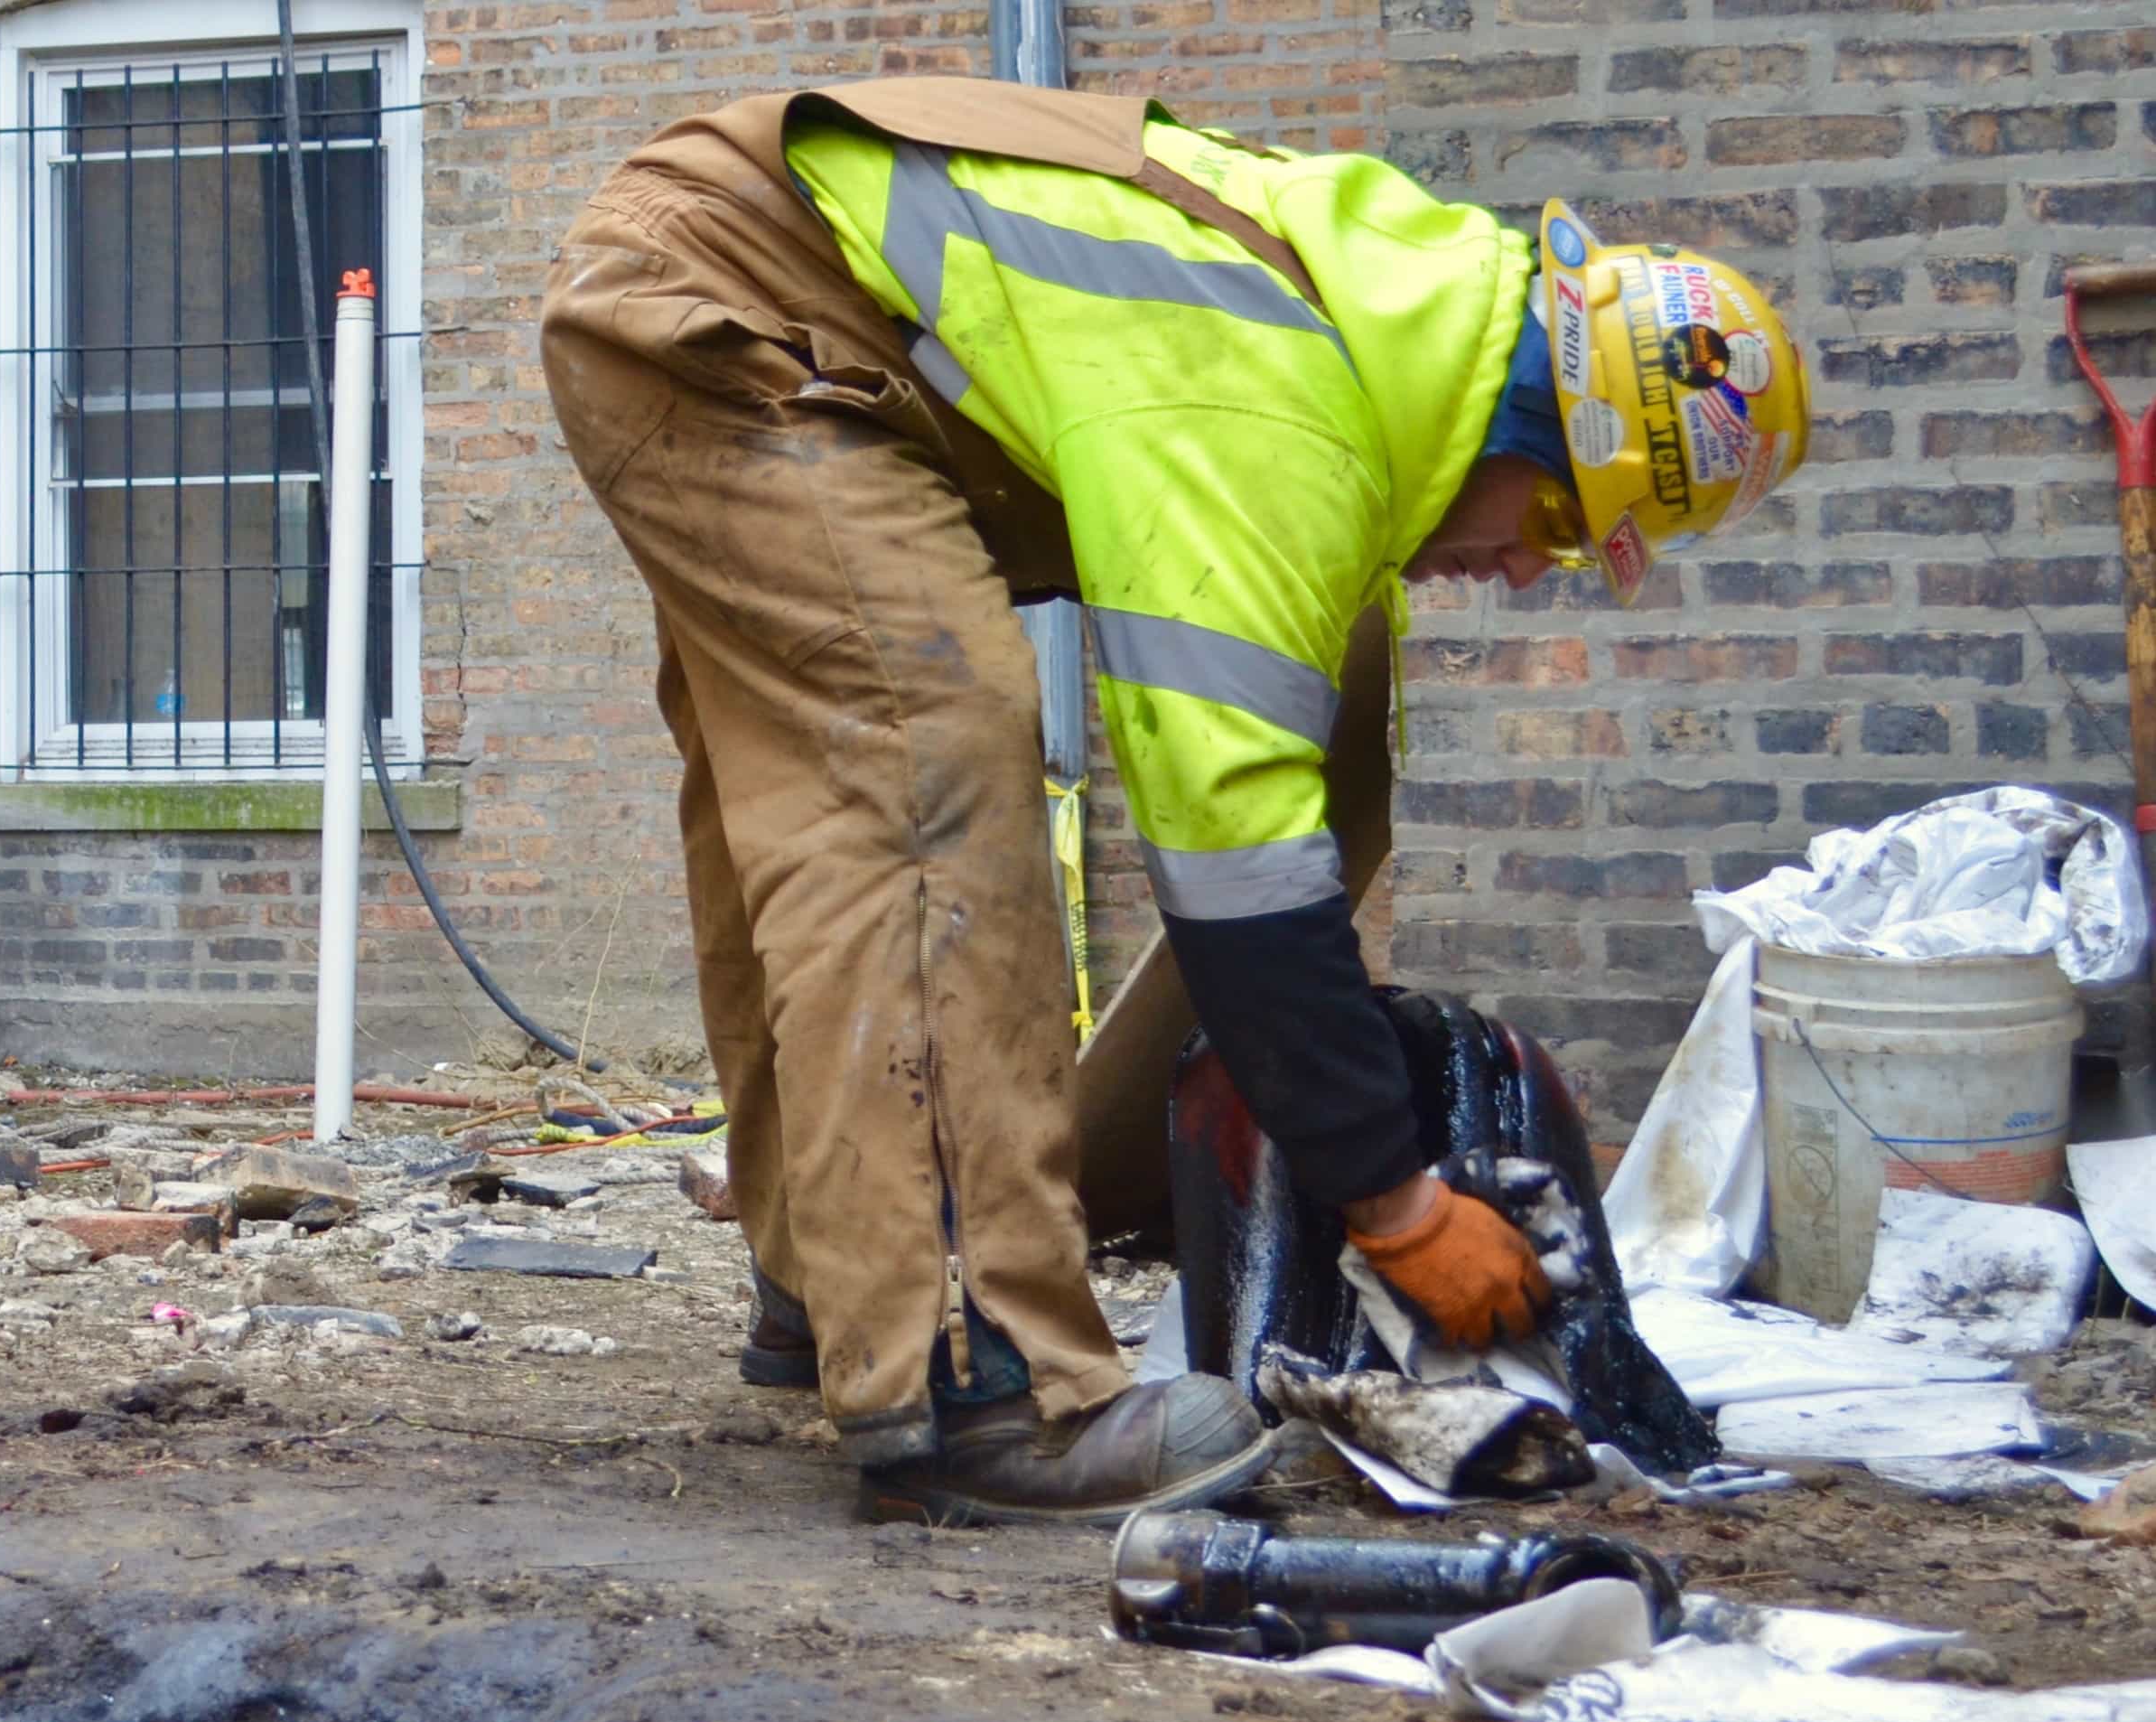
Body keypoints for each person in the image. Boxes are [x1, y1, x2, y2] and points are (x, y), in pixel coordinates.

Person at [537, 79, 1806, 1525]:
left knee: (808, 797)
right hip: (738, 308)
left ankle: (837, 1282)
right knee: (922, 780)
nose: (1530, 572)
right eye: (1567, 528)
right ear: (1536, 424)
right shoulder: (1277, 416)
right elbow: (1232, 854)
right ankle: (980, 1381)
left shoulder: (1383, 319)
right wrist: (1393, 1206)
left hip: (745, 283)